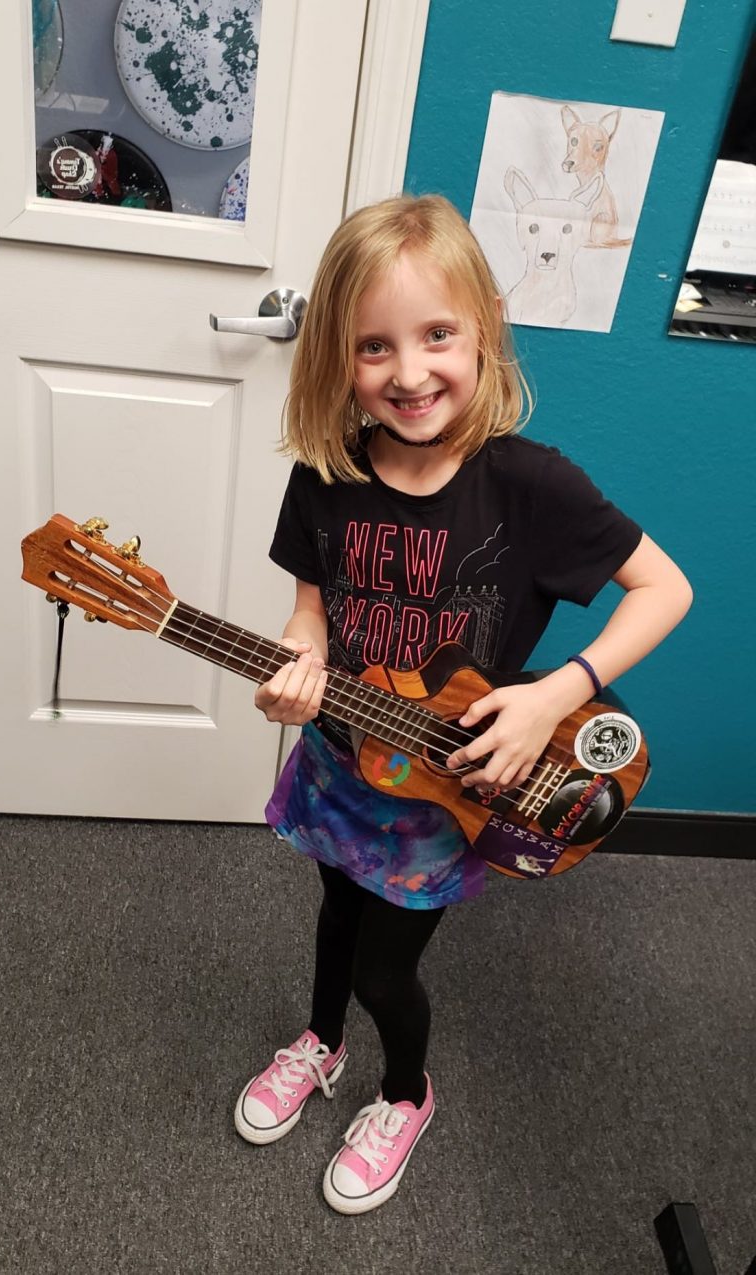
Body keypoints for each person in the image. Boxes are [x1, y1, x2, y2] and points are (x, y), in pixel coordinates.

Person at [232, 194, 692, 1215]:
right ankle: (318, 1044)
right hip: (344, 762)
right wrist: (296, 670)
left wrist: (556, 696)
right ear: (336, 361)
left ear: (483, 325)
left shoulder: (531, 486)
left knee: (388, 976)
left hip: (447, 794)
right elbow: (310, 615)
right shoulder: (325, 477)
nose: (409, 373)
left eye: (437, 335)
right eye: (373, 347)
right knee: (333, 919)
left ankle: (404, 1091)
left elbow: (668, 589)